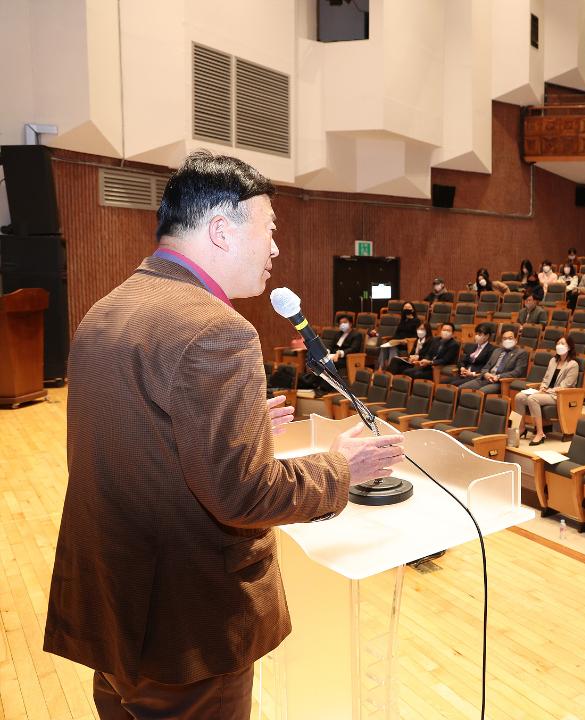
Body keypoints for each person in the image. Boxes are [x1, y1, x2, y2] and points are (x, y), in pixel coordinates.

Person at [45, 151, 406, 719]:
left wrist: (226, 425)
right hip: (186, 630)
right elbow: (243, 496)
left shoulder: (109, 308)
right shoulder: (216, 327)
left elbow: (132, 441)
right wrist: (341, 468)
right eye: (270, 230)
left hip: (116, 607)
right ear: (220, 229)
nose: (276, 249)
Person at [514, 335, 581, 445]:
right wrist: (543, 387)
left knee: (533, 399)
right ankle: (522, 428)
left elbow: (565, 386)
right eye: (558, 343)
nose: (560, 346)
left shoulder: (573, 365)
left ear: (569, 347)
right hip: (546, 393)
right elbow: (546, 379)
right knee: (519, 396)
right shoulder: (553, 361)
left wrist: (547, 391)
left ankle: (540, 433)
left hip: (560, 396)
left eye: (563, 344)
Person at [455, 329, 527, 394]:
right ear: (502, 341)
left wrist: (498, 376)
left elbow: (517, 372)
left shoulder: (521, 353)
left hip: (500, 382)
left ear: (516, 340)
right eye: (504, 338)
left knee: (480, 392)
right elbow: (486, 367)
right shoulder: (497, 351)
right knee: (461, 389)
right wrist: (486, 374)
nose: (507, 340)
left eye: (510, 338)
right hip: (485, 379)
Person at [375, 303, 421, 367]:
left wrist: (404, 340)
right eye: (405, 308)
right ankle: (380, 368)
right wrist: (393, 340)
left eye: (409, 308)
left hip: (407, 343)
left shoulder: (416, 321)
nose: (407, 310)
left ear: (413, 310)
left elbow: (416, 336)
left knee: (392, 348)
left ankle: (390, 368)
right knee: (384, 347)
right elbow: (397, 334)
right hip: (397, 342)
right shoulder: (402, 320)